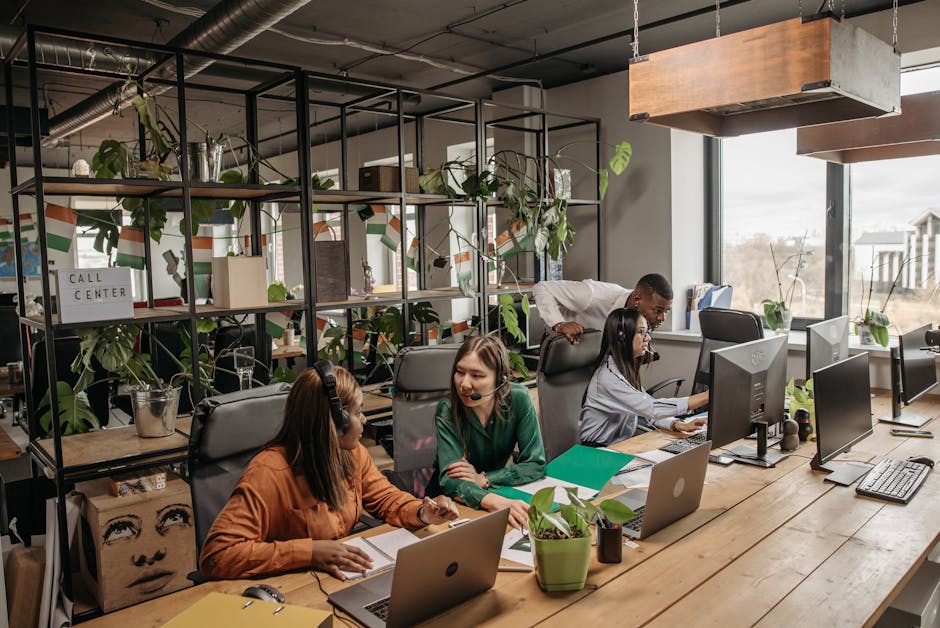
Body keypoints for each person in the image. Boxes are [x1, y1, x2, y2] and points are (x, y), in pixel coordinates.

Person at [199, 363, 459, 581]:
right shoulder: (268, 473)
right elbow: (217, 556)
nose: (365, 420)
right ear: (335, 423)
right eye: (358, 413)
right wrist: (309, 552)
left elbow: (385, 498)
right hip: (289, 589)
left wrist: (422, 512)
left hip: (338, 578)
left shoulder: (351, 454)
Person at [435, 336, 546, 529]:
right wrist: (492, 500)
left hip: (497, 493)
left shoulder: (518, 399)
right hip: (456, 505)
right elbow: (450, 481)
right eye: (460, 372)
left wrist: (484, 478)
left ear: (499, 379)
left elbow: (535, 463)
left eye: (477, 376)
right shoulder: (448, 408)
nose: (464, 384)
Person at [580, 308, 709, 446]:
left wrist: (676, 424)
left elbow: (644, 410)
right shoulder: (608, 379)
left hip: (618, 446)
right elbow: (651, 408)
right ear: (622, 336)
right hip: (596, 451)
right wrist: (706, 396)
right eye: (641, 332)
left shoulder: (623, 370)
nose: (648, 338)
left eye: (647, 332)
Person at [533, 273, 673, 344]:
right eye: (658, 310)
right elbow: (542, 287)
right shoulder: (593, 295)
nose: (662, 318)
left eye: (666, 311)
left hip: (600, 364)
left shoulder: (643, 318)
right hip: (565, 351)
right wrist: (559, 324)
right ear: (637, 299)